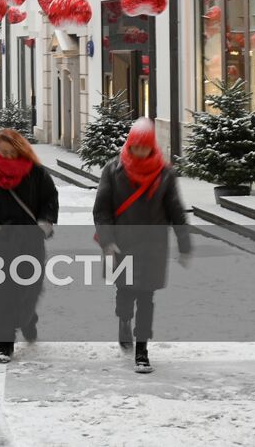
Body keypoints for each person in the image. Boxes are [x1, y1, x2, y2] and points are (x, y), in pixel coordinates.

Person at [93, 118, 193, 374]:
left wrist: (184, 245)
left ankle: (142, 349)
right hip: (121, 245)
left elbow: (175, 211)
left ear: (151, 147)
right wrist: (107, 241)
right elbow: (102, 210)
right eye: (135, 147)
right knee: (125, 293)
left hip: (153, 246)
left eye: (144, 147)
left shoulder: (164, 173)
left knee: (147, 298)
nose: (139, 152)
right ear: (129, 145)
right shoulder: (113, 170)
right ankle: (124, 319)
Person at [0, 129, 58, 364]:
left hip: (31, 240)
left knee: (30, 287)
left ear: (21, 150)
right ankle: (4, 342)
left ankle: (27, 319)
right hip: (2, 242)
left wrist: (45, 222)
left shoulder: (36, 173)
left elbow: (50, 199)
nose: (7, 157)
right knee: (3, 291)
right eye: (3, 152)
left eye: (12, 152)